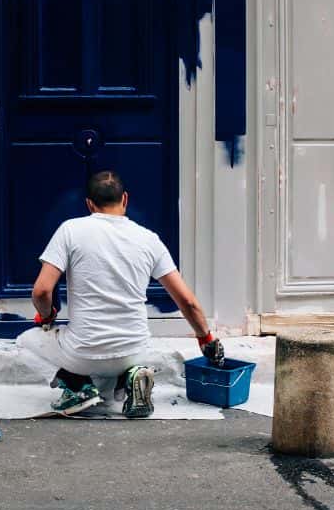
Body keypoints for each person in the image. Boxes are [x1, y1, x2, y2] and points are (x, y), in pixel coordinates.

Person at [22, 170, 222, 417]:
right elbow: (188, 302)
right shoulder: (149, 240)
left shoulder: (70, 230)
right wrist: (206, 338)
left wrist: (46, 315)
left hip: (83, 354)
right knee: (124, 355)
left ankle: (78, 387)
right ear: (125, 199)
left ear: (89, 204)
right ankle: (133, 375)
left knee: (26, 341)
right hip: (134, 350)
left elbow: (41, 290)